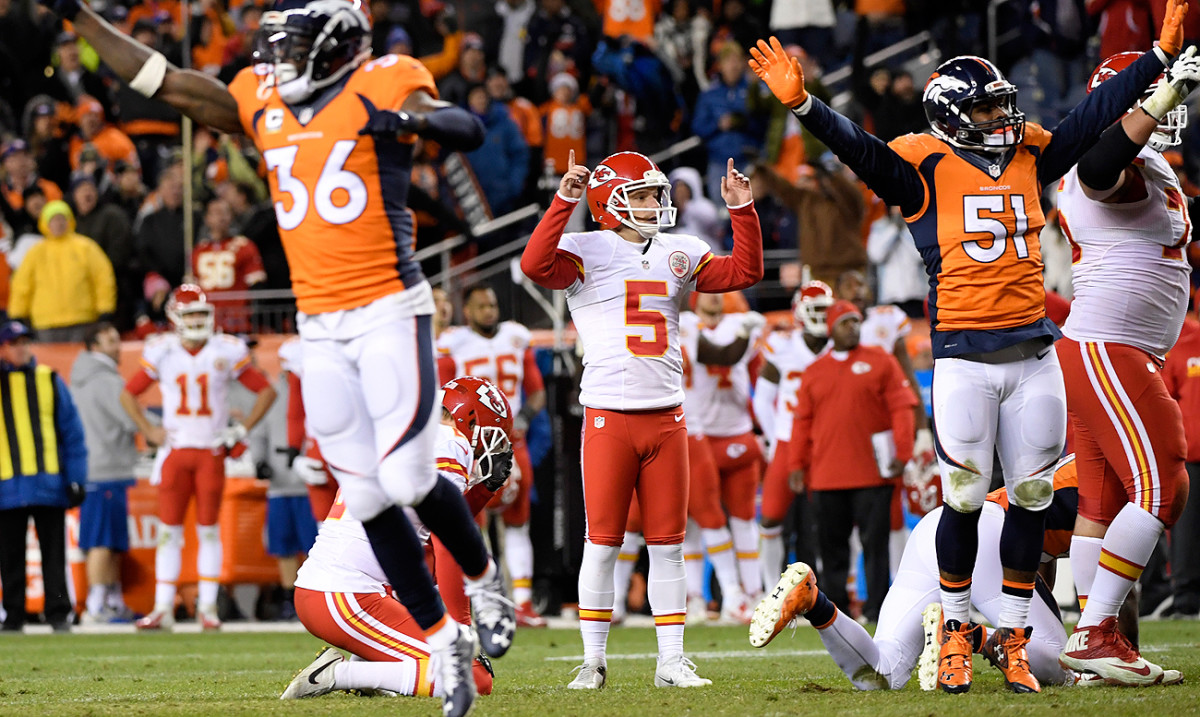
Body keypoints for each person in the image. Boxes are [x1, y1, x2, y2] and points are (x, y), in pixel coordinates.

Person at [39, 0, 506, 710]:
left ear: (336, 49)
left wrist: (411, 124)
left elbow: (459, 123)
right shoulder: (262, 99)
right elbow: (162, 81)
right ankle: (441, 639)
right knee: (369, 488)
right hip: (318, 324)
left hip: (385, 305)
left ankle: (484, 581)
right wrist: (77, 16)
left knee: (409, 478)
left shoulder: (383, 79)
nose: (275, 63)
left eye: (293, 49)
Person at [749, 1, 1188, 693]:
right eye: (986, 111)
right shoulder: (920, 163)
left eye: (1001, 107)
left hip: (1034, 354)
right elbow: (858, 149)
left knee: (1032, 497)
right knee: (962, 496)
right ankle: (955, 629)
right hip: (962, 357)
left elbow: (1088, 115)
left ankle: (1011, 637)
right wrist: (805, 104)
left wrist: (1156, 62)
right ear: (952, 116)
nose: (1001, 121)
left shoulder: (1032, 148)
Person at [521, 149, 763, 689]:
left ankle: (671, 661)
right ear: (612, 201)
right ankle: (592, 661)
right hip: (608, 415)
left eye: (657, 193)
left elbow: (746, 271)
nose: (659, 202)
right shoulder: (588, 249)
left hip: (667, 418)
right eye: (646, 194)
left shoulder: (680, 250)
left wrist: (743, 212)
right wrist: (564, 199)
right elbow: (534, 265)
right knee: (602, 543)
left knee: (669, 544)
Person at [750, 456, 1182, 690]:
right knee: (1067, 669)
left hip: (940, 529)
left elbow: (1040, 567)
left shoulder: (1080, 464)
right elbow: (1118, 598)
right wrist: (1126, 657)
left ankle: (814, 601)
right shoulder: (1124, 483)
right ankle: (968, 636)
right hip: (991, 537)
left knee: (882, 675)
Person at [1054, 48, 1200, 685]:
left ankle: (1092, 646)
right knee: (1167, 484)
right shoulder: (1109, 158)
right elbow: (1097, 164)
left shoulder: (1152, 163)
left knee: (1102, 502)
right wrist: (1158, 99)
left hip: (1110, 348)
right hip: (1109, 347)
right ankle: (1096, 635)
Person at [281, 376, 513, 699]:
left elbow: (435, 521)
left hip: (334, 588)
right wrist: (461, 627)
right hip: (346, 594)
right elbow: (447, 542)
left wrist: (482, 492)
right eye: (491, 437)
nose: (487, 449)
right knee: (473, 677)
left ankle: (370, 664)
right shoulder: (451, 442)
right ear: (470, 421)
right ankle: (341, 674)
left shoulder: (413, 433)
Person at [119, 285, 277, 630]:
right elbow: (128, 394)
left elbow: (267, 390)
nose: (196, 320)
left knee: (208, 530)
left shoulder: (226, 349)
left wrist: (242, 429)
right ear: (176, 316)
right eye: (190, 314)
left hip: (211, 451)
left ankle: (208, 606)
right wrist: (149, 429)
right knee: (168, 530)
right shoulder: (163, 350)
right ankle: (163, 608)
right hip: (176, 451)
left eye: (201, 314)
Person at [766, 300, 916, 624]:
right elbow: (801, 422)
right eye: (846, 322)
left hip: (873, 474)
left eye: (856, 321)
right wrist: (796, 465)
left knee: (875, 549)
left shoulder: (881, 361)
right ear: (831, 328)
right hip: (826, 476)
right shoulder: (814, 372)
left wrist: (902, 453)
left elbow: (902, 408)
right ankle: (837, 617)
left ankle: (878, 611)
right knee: (832, 552)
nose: (853, 328)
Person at [436, 284, 547, 627]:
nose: (489, 310)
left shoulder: (516, 336)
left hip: (512, 441)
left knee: (518, 520)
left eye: (492, 304)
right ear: (467, 310)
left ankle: (523, 603)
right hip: (469, 444)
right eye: (481, 305)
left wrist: (524, 420)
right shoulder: (452, 342)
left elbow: (537, 391)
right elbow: (442, 396)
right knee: (470, 522)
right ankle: (481, 602)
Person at [0, 321, 87, 632]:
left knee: (53, 555)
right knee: (10, 558)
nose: (22, 348)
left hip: (48, 484)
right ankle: (13, 616)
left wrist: (77, 477)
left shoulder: (48, 379)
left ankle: (59, 613)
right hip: (6, 487)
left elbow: (72, 433)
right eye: (14, 343)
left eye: (25, 342)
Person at [753, 281, 831, 588]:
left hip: (828, 442)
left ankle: (842, 588)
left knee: (834, 519)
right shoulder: (782, 346)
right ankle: (771, 589)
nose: (823, 317)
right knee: (771, 516)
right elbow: (762, 400)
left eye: (827, 309)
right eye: (817, 309)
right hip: (788, 439)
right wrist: (774, 439)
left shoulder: (839, 346)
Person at [691, 293, 767, 602]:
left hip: (736, 430)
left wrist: (761, 428)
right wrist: (745, 334)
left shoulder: (739, 323)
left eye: (720, 293)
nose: (715, 299)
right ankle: (694, 596)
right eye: (709, 293)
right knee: (693, 519)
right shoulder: (685, 324)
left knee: (744, 518)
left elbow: (759, 379)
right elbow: (722, 355)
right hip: (698, 433)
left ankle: (753, 592)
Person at [71, 322, 139, 623]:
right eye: (111, 340)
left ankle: (110, 601)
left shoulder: (86, 378)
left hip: (97, 466)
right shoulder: (105, 380)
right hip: (104, 468)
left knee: (109, 541)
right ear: (94, 346)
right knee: (101, 541)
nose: (118, 345)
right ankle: (96, 604)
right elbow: (130, 417)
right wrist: (165, 427)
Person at [8, 199, 116, 343]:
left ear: (69, 221)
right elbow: (22, 285)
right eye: (53, 220)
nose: (58, 224)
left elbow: (103, 278)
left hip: (81, 319)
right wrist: (17, 313)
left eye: (61, 219)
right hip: (46, 321)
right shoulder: (36, 252)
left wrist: (105, 308)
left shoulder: (86, 247)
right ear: (45, 223)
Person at [192, 196, 267, 334]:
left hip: (237, 322)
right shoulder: (199, 250)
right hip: (208, 323)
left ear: (231, 216)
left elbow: (257, 284)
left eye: (224, 212)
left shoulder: (244, 246)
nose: (221, 217)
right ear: (207, 218)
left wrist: (253, 315)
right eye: (216, 212)